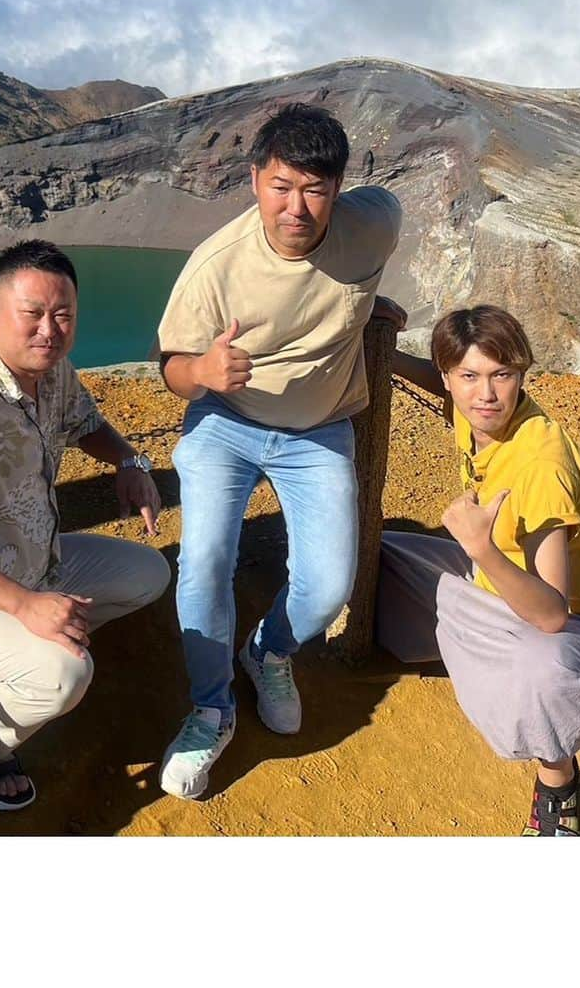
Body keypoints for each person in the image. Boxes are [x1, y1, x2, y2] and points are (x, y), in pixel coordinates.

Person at [155, 102, 403, 799]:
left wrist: (367, 306)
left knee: (327, 586)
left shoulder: (372, 224)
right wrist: (201, 373)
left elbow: (364, 256)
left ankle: (268, 652)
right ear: (256, 178)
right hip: (225, 421)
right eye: (281, 186)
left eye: (316, 189)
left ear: (339, 188)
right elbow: (170, 365)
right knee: (204, 561)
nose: (297, 207)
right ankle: (211, 706)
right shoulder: (217, 266)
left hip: (319, 430)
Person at [0, 240, 170, 811]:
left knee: (149, 574)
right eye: (33, 314)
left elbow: (86, 422)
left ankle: (21, 662)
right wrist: (25, 608)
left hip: (34, 564)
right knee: (66, 673)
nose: (49, 329)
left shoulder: (52, 372)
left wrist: (128, 461)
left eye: (63, 314)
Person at [379, 305, 580, 836]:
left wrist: (482, 550)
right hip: (502, 585)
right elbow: (445, 379)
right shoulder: (479, 407)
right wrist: (385, 354)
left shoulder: (540, 467)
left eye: (502, 375)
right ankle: (467, 645)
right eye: (470, 377)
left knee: (540, 670)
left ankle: (557, 780)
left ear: (521, 374)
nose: (485, 394)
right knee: (378, 557)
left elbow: (552, 613)